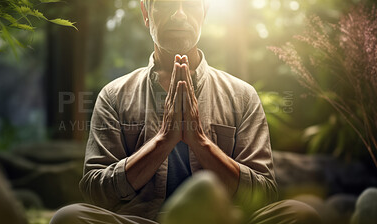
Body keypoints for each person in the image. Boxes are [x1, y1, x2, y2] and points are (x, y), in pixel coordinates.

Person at [50, 0, 321, 223]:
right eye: (166, 4)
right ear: (146, 13)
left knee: (302, 215)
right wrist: (162, 141)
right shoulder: (114, 95)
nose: (179, 15)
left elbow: (263, 193)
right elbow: (96, 193)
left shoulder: (242, 95)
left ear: (204, 13)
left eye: (190, 4)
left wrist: (200, 141)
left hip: (223, 220)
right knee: (68, 218)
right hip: (143, 220)